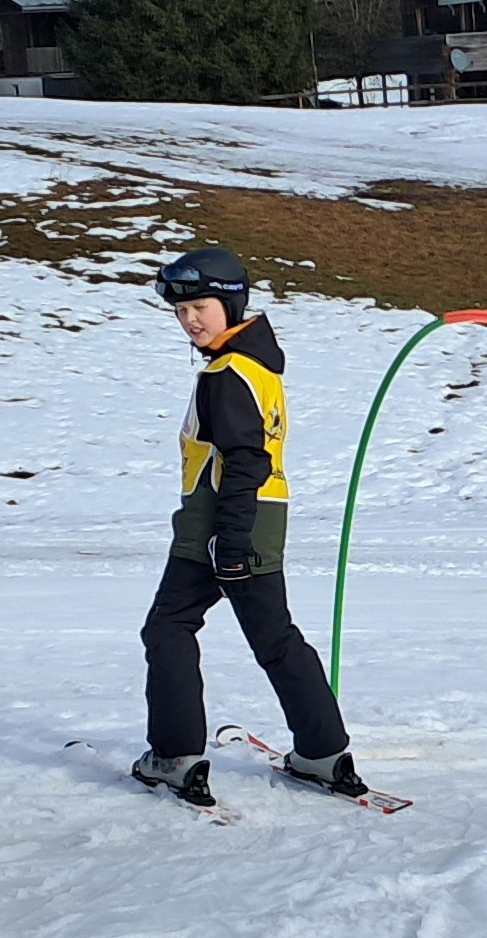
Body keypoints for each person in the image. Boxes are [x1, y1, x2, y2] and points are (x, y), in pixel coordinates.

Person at [134, 248, 365, 808]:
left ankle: (175, 756)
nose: (190, 320)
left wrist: (229, 540)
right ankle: (323, 753)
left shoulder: (226, 374)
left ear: (231, 304)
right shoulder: (257, 367)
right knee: (275, 637)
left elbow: (245, 459)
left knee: (168, 628)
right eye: (181, 311)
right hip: (258, 520)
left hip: (218, 524)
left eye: (201, 307)